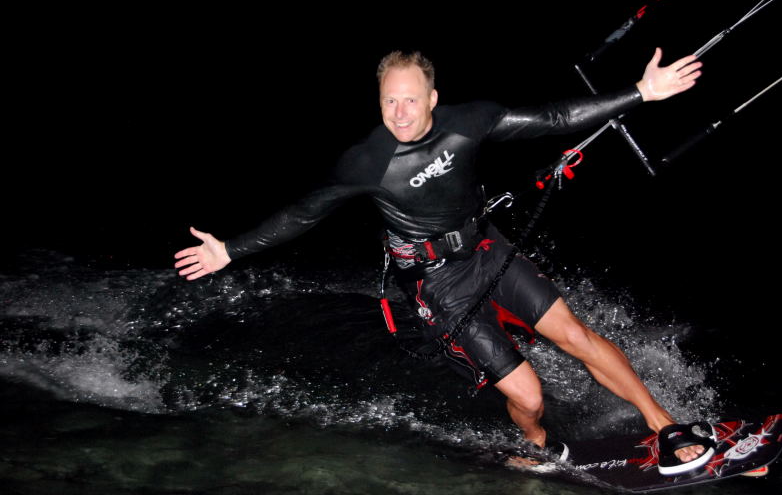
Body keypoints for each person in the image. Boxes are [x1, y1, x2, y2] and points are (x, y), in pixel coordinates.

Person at [175, 49, 713, 474]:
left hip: (486, 249)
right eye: (389, 102)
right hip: (437, 286)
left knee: (574, 334)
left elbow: (553, 117)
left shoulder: (468, 123)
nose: (400, 114)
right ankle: (543, 446)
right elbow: (302, 215)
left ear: (434, 98)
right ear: (378, 102)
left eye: (410, 101)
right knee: (527, 396)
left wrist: (642, 91)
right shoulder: (366, 162)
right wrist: (229, 249)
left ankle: (663, 425)